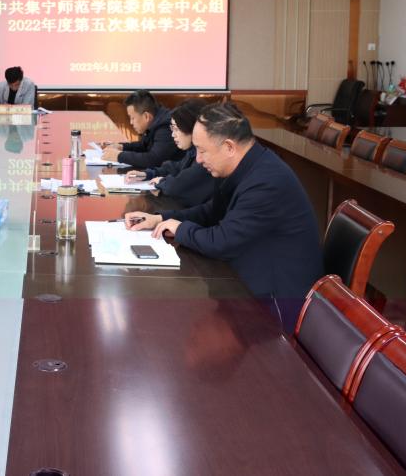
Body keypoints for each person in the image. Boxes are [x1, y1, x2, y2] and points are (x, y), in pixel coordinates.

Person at [124, 102, 323, 328]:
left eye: (202, 151)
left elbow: (221, 241)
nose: (198, 160)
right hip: (250, 281)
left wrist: (180, 229)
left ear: (229, 147)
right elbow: (211, 211)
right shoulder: (243, 166)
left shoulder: (267, 182)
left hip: (279, 304)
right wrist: (161, 218)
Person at [124, 98, 216, 207]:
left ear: (192, 128)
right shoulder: (192, 151)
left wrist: (162, 182)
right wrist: (148, 174)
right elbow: (175, 167)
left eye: (176, 129)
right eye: (172, 128)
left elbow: (180, 185)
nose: (173, 135)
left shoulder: (205, 158)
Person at [102, 89, 182, 168]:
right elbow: (143, 146)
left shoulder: (165, 127)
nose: (131, 122)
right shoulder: (155, 121)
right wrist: (121, 147)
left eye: (132, 118)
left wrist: (119, 156)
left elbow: (154, 159)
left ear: (146, 116)